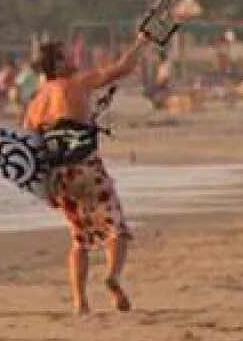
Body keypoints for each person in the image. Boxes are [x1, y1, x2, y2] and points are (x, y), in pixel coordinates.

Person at [23, 34, 150, 314]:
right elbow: (122, 68)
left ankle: (80, 300)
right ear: (57, 65)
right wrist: (141, 41)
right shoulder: (78, 83)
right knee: (115, 226)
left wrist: (45, 190)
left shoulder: (36, 102)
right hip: (87, 168)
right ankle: (113, 276)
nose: (75, 59)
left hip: (60, 177)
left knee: (79, 238)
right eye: (68, 56)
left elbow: (28, 148)